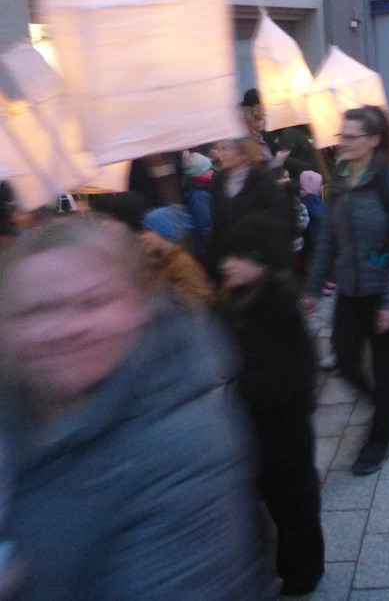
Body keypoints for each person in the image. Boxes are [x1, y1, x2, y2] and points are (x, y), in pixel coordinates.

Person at [0, 216, 274, 599]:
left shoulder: (185, 445)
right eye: (36, 311)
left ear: (140, 306)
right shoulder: (15, 409)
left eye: (93, 301)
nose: (64, 327)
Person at [302, 106, 389, 476]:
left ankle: (379, 440)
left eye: (350, 137)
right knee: (347, 362)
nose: (343, 143)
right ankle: (380, 405)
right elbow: (328, 243)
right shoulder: (337, 181)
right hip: (351, 291)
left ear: (372, 140)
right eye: (341, 136)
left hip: (385, 294)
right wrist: (313, 288)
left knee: (386, 371)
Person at [218, 215, 325, 595]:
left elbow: (296, 375)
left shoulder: (279, 307)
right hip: (250, 425)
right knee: (265, 498)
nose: (228, 263)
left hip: (283, 428)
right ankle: (277, 564)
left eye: (240, 256)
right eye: (226, 255)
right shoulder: (233, 300)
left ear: (261, 261)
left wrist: (243, 388)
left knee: (293, 502)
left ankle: (304, 572)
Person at [207, 137, 293, 282]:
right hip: (231, 265)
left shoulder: (261, 179)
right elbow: (218, 226)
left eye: (226, 148)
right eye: (219, 148)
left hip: (263, 263)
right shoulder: (218, 183)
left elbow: (280, 219)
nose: (220, 153)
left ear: (243, 153)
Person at [140, 205, 214, 307]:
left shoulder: (182, 263)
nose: (143, 236)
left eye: (148, 230)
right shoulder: (162, 260)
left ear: (163, 232)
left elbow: (201, 298)